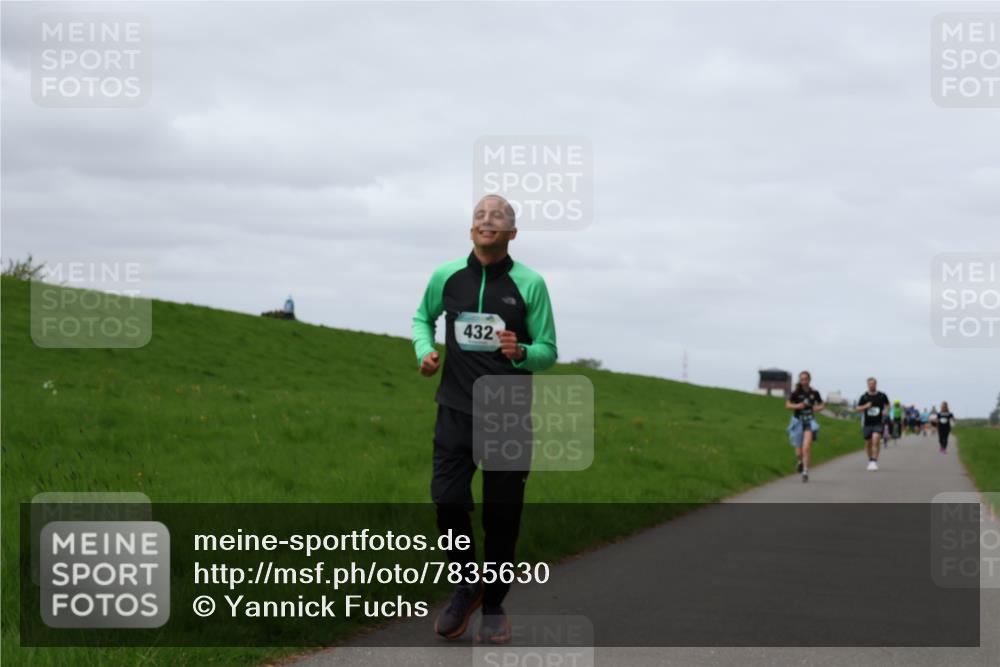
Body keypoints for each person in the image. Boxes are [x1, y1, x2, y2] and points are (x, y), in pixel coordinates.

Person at [412, 194, 558, 644]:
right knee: (448, 500)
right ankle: (467, 585)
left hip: (507, 417)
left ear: (512, 233)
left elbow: (548, 352)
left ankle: (493, 606)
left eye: (497, 216)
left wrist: (522, 353)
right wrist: (425, 350)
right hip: (455, 410)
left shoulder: (530, 284)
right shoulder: (447, 276)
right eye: (479, 215)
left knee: (501, 517)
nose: (486, 219)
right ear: (471, 230)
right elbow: (423, 318)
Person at [786, 371, 825, 483]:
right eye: (802, 379)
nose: (804, 381)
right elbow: (787, 405)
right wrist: (797, 405)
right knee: (798, 451)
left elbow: (822, 404)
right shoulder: (796, 393)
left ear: (809, 379)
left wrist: (818, 408)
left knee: (806, 447)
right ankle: (800, 462)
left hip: (809, 421)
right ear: (800, 380)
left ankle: (805, 472)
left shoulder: (814, 393)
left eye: (806, 379)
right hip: (798, 421)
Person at [854, 377, 890, 471]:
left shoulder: (882, 395)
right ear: (867, 385)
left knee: (876, 439)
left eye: (873, 384)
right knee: (868, 443)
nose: (871, 385)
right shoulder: (864, 397)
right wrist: (866, 406)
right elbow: (857, 408)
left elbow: (887, 405)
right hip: (867, 423)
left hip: (878, 422)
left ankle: (874, 460)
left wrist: (886, 411)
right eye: (870, 384)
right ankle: (870, 460)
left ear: (876, 384)